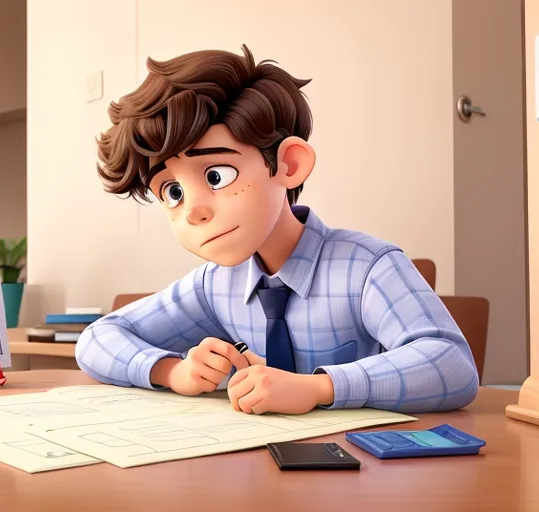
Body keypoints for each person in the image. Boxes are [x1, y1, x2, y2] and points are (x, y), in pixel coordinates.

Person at [74, 44, 479, 415]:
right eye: (173, 191)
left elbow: (452, 364)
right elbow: (98, 338)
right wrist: (172, 371)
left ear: (289, 164)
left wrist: (321, 387)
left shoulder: (367, 267)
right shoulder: (216, 285)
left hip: (361, 475)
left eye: (216, 175)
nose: (194, 210)